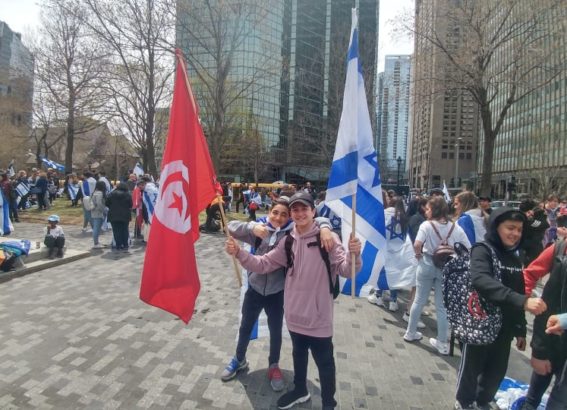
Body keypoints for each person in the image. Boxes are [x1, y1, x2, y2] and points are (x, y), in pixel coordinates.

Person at [225, 192, 362, 410]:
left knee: (325, 363)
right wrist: (240, 253)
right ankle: (300, 390)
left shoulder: (327, 239)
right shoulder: (288, 241)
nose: (299, 214)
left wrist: (354, 256)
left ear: (313, 211)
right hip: (294, 316)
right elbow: (263, 264)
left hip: (318, 317)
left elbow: (346, 270)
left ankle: (329, 403)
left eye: (304, 209)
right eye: (295, 210)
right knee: (298, 355)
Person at [455, 208, 547, 410]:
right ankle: (464, 402)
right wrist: (522, 301)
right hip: (479, 323)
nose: (515, 234)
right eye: (510, 228)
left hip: (504, 329)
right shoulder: (482, 250)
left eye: (519, 230)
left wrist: (520, 329)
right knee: (471, 369)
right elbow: (481, 280)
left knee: (496, 372)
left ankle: (482, 401)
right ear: (496, 227)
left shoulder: (514, 257)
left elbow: (519, 290)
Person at [404, 196, 471, 355]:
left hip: (426, 262)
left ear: (434, 210)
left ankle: (410, 332)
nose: (426, 211)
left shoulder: (426, 225)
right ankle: (442, 342)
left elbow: (417, 244)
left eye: (428, 209)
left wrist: (418, 255)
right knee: (441, 306)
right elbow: (468, 247)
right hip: (446, 266)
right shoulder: (455, 227)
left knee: (419, 300)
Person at [521, 228, 567, 410]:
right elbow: (529, 274)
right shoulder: (560, 248)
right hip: (549, 337)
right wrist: (526, 300)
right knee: (532, 399)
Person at [519, 199, 549, 267]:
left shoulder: (539, 214)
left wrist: (530, 220)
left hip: (534, 245)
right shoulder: (521, 216)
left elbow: (545, 224)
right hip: (524, 244)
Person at [106, 183, 133, 252]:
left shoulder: (111, 194)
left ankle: (118, 245)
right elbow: (131, 204)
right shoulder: (128, 194)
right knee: (124, 230)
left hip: (113, 214)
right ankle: (125, 245)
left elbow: (107, 203)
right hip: (125, 215)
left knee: (116, 231)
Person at [91, 180, 107, 249]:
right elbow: (99, 203)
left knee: (96, 227)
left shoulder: (94, 192)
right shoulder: (100, 194)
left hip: (94, 212)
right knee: (96, 228)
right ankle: (96, 243)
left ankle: (96, 242)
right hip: (98, 212)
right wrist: (103, 210)